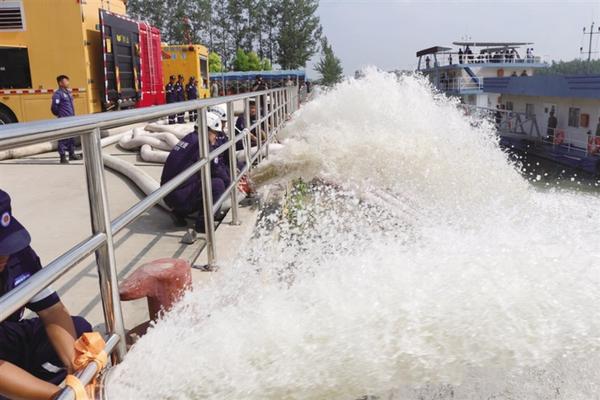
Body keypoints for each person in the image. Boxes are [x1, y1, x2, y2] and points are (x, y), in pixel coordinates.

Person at [0, 189, 92, 400]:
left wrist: (76, 369)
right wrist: (59, 395)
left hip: (4, 335)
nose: (4, 255)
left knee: (79, 333)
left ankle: (21, 389)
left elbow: (51, 310)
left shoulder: (17, 253)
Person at [160, 113, 231, 237]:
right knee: (217, 184)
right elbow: (216, 169)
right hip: (178, 197)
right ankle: (203, 225)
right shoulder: (202, 144)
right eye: (215, 133)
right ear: (206, 129)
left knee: (203, 178)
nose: (216, 137)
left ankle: (179, 213)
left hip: (169, 194)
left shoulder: (189, 138)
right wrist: (232, 183)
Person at [51, 75, 82, 164]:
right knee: (63, 138)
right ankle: (63, 157)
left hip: (71, 119)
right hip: (64, 120)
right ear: (60, 83)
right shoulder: (58, 94)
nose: (68, 83)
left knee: (71, 137)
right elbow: (54, 108)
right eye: (66, 81)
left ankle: (72, 154)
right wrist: (60, 115)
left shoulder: (68, 93)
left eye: (68, 81)